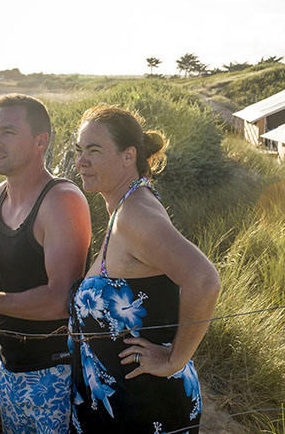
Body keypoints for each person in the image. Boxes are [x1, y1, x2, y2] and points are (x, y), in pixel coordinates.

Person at [68, 104, 220, 434]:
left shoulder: (135, 214)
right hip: (122, 405)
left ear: (128, 156)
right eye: (79, 150)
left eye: (94, 151)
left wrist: (174, 360)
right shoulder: (125, 207)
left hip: (146, 409)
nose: (81, 161)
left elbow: (204, 279)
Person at [0, 94, 92, 434]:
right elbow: (5, 259)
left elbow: (62, 299)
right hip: (9, 364)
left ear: (40, 141)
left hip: (55, 370)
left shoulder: (62, 200)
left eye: (8, 132)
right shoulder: (0, 194)